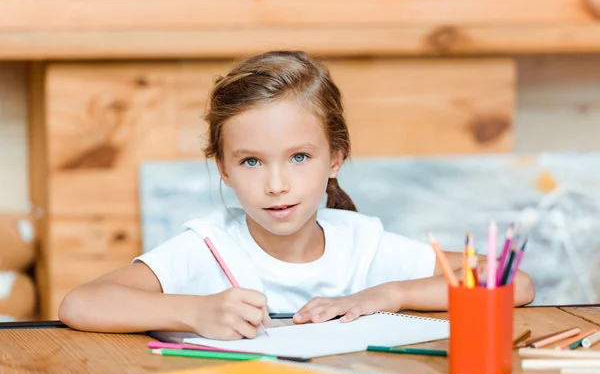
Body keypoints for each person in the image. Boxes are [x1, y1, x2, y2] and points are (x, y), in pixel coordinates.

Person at [58, 51, 535, 340]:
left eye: (299, 158)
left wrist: (387, 294)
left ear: (336, 158)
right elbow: (81, 304)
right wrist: (194, 310)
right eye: (251, 161)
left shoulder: (362, 243)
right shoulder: (207, 245)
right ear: (222, 169)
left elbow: (517, 283)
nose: (276, 184)